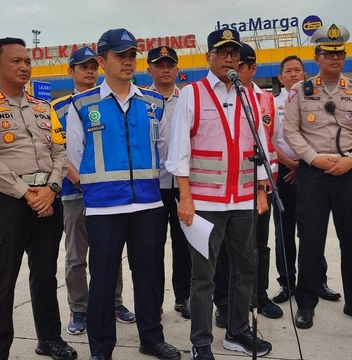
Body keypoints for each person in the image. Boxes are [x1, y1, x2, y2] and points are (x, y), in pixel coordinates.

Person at [65, 28, 180, 360]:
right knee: (102, 281)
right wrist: (96, 192)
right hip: (103, 208)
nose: (128, 62)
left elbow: (163, 152)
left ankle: (151, 338)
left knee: (149, 274)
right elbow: (73, 156)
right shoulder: (82, 104)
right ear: (103, 61)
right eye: (121, 56)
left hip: (148, 203)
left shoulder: (152, 102)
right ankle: (101, 349)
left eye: (132, 56)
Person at [0, 37, 77, 360]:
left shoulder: (44, 107)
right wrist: (27, 192)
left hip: (46, 200)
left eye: (27, 61)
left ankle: (49, 339)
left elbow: (59, 152)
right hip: (6, 203)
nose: (24, 66)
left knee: (44, 274)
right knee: (2, 279)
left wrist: (51, 189)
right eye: (15, 61)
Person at [166, 28, 273, 360]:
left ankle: (238, 331)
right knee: (204, 276)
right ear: (208, 56)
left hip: (242, 200)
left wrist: (261, 191)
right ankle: (200, 341)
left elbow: (260, 147)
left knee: (245, 268)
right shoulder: (192, 94)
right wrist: (185, 198)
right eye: (223, 52)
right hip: (204, 203)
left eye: (234, 53)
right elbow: (179, 149)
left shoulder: (251, 95)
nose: (230, 58)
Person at [283, 23, 352, 329]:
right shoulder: (301, 91)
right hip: (314, 175)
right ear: (317, 57)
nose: (334, 58)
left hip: (348, 174)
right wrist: (315, 159)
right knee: (311, 241)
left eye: (339, 53)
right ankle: (306, 304)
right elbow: (291, 132)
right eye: (328, 53)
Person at [50, 46, 136, 337]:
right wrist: (80, 182)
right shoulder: (61, 107)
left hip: (108, 193)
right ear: (70, 71)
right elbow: (57, 150)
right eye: (82, 67)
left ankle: (114, 302)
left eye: (92, 66)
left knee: (111, 251)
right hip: (76, 193)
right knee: (76, 255)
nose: (89, 71)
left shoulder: (111, 100)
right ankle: (79, 308)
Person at [212, 43, 283, 320]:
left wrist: (264, 185)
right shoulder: (216, 96)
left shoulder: (265, 100)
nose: (234, 69)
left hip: (257, 186)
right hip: (225, 187)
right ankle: (224, 303)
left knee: (259, 246)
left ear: (252, 68)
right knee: (224, 251)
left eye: (240, 65)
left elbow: (270, 143)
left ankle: (259, 295)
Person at [272, 55, 341, 304]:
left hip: (312, 173)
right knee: (284, 231)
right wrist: (290, 164)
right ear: (280, 77)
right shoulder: (272, 103)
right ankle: (286, 282)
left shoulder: (316, 100)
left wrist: (304, 165)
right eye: (288, 71)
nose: (293, 74)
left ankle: (317, 281)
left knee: (313, 231)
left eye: (297, 70)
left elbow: (322, 136)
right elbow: (269, 141)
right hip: (283, 174)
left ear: (305, 74)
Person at [146, 45, 192, 319]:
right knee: (151, 247)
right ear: (149, 69)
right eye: (159, 64)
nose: (165, 69)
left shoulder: (187, 98)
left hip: (181, 185)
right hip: (151, 185)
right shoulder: (141, 99)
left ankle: (183, 296)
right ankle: (153, 300)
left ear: (177, 69)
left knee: (183, 245)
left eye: (169, 64)